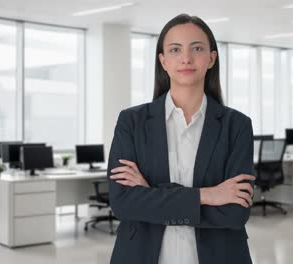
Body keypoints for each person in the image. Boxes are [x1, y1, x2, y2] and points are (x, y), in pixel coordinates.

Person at [108, 13, 255, 264]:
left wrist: (151, 195)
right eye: (175, 49)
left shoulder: (237, 126)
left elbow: (234, 212)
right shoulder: (132, 121)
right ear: (163, 61)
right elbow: (123, 203)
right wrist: (207, 195)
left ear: (211, 58)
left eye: (196, 48)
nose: (186, 58)